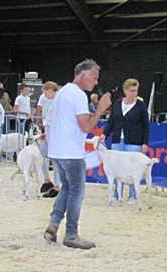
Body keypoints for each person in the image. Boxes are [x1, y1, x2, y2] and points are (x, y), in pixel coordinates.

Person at [43, 59, 111, 249]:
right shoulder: (78, 95)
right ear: (83, 75)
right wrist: (100, 109)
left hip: (58, 150)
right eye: (94, 78)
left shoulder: (63, 92)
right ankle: (71, 234)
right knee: (76, 192)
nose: (96, 82)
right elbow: (86, 127)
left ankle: (53, 225)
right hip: (71, 152)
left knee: (67, 188)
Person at [104, 78, 150, 204]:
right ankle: (115, 194)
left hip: (134, 141)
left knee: (133, 169)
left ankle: (133, 195)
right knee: (116, 167)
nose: (134, 93)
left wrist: (144, 143)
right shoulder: (118, 104)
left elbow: (145, 125)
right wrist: (104, 135)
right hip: (117, 139)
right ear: (125, 90)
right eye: (131, 91)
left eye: (136, 90)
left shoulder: (141, 106)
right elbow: (111, 122)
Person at [36, 81, 60, 197]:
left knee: (54, 157)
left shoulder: (58, 100)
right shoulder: (52, 100)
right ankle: (47, 180)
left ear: (50, 91)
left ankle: (57, 186)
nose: (45, 95)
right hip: (48, 129)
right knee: (41, 154)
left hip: (54, 130)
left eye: (46, 93)